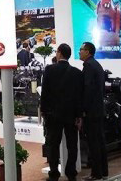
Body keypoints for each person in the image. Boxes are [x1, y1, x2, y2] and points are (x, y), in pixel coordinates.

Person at [40, 43, 83, 181]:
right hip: (71, 115)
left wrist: (44, 110)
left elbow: (45, 92)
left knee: (53, 145)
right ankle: (71, 173)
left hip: (53, 114)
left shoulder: (49, 70)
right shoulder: (77, 73)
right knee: (72, 145)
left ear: (59, 53)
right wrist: (79, 115)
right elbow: (79, 96)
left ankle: (54, 174)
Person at [79, 42, 108, 181]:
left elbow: (88, 90)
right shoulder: (96, 64)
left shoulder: (89, 66)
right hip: (98, 110)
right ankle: (103, 172)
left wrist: (83, 109)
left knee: (94, 143)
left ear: (88, 51)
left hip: (91, 112)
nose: (79, 52)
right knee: (100, 142)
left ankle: (96, 174)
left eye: (81, 49)